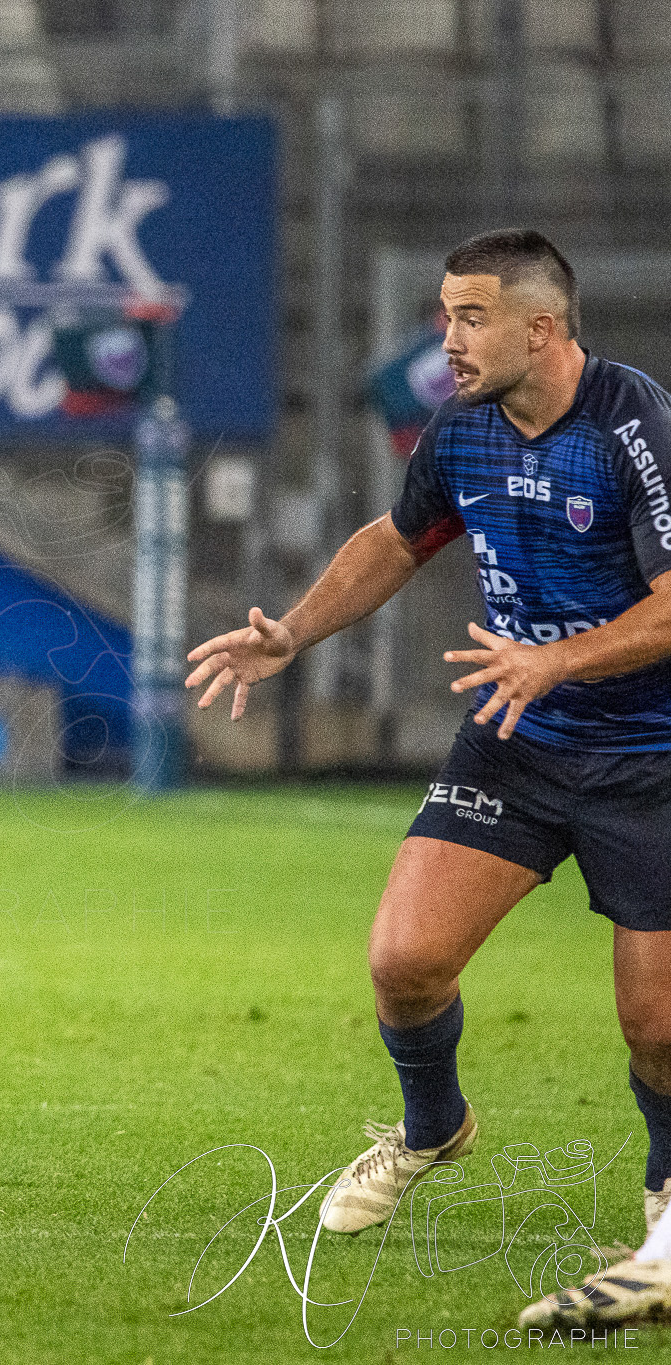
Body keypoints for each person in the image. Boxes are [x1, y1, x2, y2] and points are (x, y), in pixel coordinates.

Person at [184, 229, 671, 1324]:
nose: (445, 339)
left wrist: (556, 659)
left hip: (650, 756)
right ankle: (430, 1127)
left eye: (468, 317)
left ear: (541, 328)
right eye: (445, 314)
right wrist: (292, 632)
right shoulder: (461, 428)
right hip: (514, 738)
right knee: (403, 962)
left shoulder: (632, 424)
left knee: (659, 1028)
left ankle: (663, 1209)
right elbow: (397, 541)